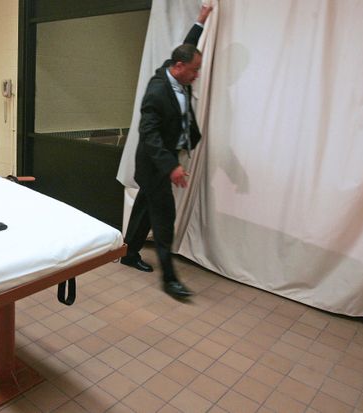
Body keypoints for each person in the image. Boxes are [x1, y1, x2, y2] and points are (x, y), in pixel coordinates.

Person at [121, 5, 212, 299]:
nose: (197, 75)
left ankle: (128, 251)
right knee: (163, 218)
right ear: (178, 67)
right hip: (154, 164)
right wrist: (170, 166)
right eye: (195, 70)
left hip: (163, 161)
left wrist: (199, 22)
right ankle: (170, 279)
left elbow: (188, 49)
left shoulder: (179, 72)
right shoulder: (157, 90)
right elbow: (148, 135)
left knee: (145, 207)